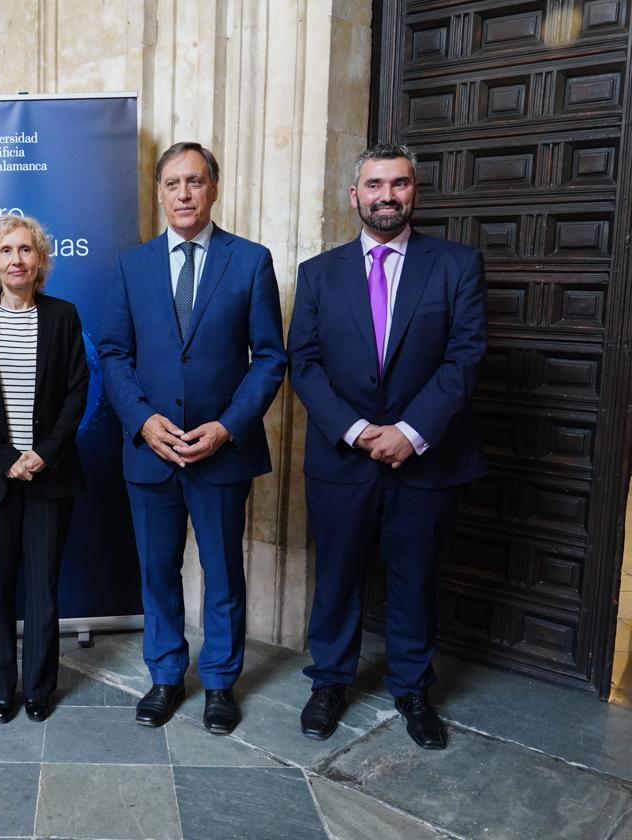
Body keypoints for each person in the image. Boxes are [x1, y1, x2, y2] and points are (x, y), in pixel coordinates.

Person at [287, 143, 486, 750]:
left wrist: (411, 432)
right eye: (374, 185)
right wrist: (355, 430)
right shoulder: (319, 273)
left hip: (427, 460)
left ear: (413, 193)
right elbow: (305, 362)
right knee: (338, 576)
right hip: (342, 459)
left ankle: (412, 690)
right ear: (355, 196)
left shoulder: (456, 265)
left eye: (398, 184)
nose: (386, 196)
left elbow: (464, 357)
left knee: (414, 579)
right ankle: (328, 683)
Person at [98, 142, 286, 735]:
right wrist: (144, 421)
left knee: (224, 570)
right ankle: (165, 675)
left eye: (195, 182)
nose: (183, 193)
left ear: (214, 189)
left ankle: (222, 683)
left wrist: (229, 426)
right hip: (150, 451)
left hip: (220, 453)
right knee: (157, 570)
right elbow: (113, 353)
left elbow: (270, 359)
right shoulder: (133, 265)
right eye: (173, 183)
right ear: (159, 192)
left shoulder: (251, 261)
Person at [0, 215, 89, 724]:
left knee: (43, 588)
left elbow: (78, 390)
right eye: (6, 251)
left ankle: (38, 685)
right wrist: (5, 458)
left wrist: (43, 454)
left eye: (26, 250)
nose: (17, 259)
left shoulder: (63, 316)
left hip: (50, 474)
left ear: (40, 260)